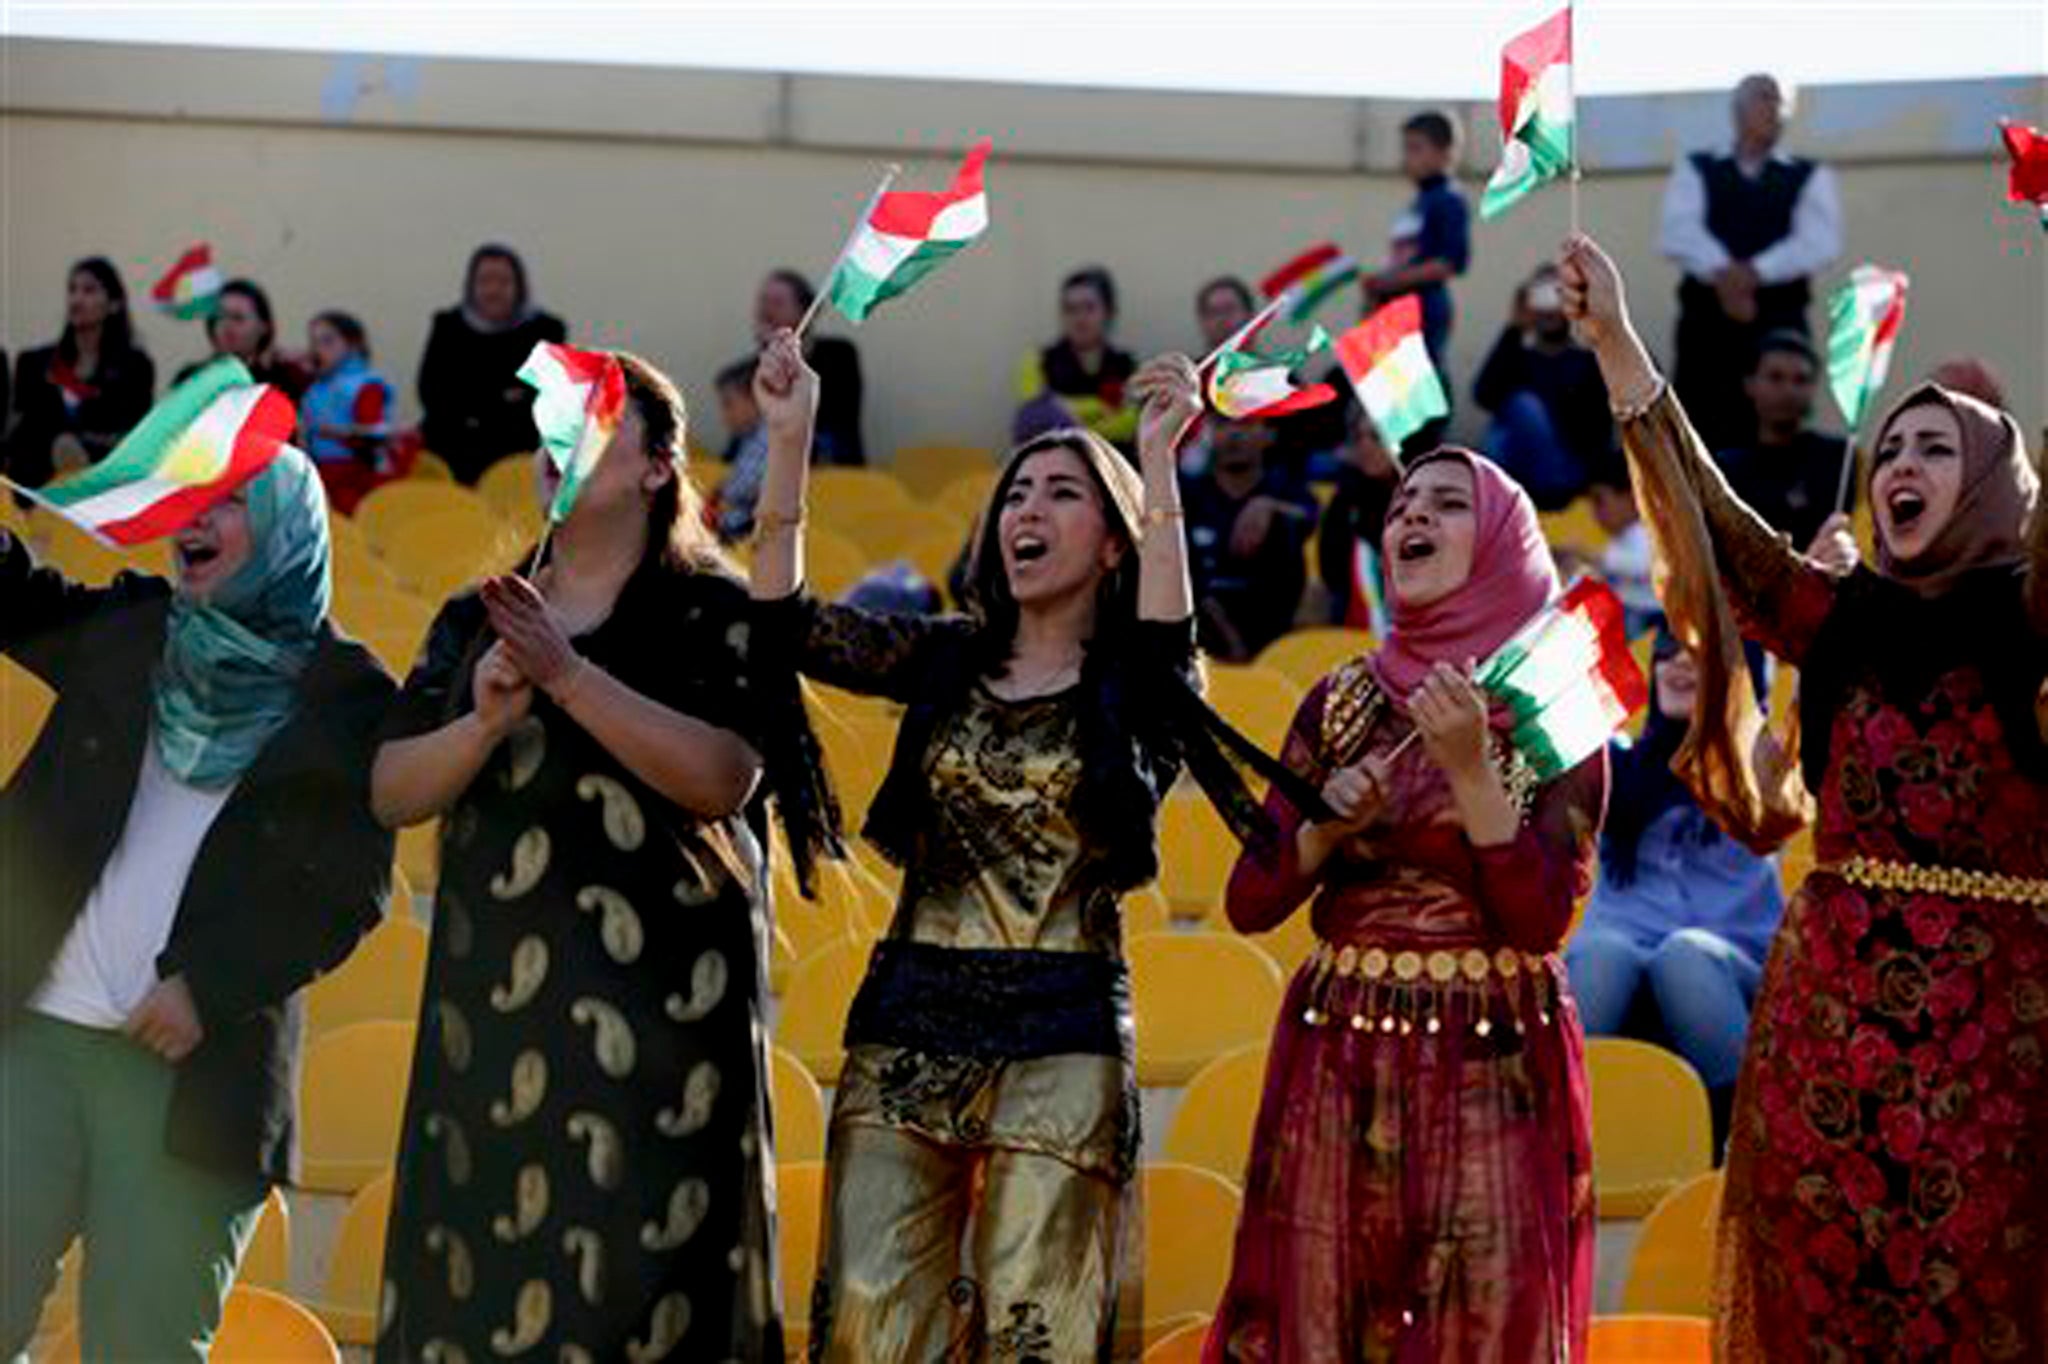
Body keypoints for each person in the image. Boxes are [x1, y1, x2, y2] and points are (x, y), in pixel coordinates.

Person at [751, 327, 1316, 1362]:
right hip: (909, 1009)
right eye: (1015, 494)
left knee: (1034, 1325)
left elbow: (1165, 647)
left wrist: (1156, 461)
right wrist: (790, 436)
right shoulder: (943, 656)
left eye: (1060, 493)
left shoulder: (1134, 688)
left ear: (1111, 541)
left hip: (1063, 1026)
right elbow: (786, 628)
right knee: (872, 1318)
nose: (1027, 510)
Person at [1563, 231, 2048, 1362]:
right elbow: (1708, 518)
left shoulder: (2032, 627)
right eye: (1890, 449)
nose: (1899, 469)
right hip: (1825, 1023)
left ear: (1991, 484)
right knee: (1818, 1295)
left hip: (1998, 1034)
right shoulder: (1836, 621)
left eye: (1937, 449)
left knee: (1976, 1298)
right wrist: (1617, 342)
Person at [371, 351, 782, 1360]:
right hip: (498, 1023)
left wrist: (565, 674)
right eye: (550, 422)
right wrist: (477, 725)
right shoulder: (480, 614)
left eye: (592, 422)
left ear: (655, 467)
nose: (559, 441)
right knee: (484, 1301)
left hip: (668, 1031)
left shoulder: (713, 607)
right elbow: (389, 788)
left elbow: (725, 775)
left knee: (654, 1313)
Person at [1205, 445, 1604, 1362]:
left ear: (1505, 540)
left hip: (1496, 1059)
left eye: (1447, 505)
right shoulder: (1341, 701)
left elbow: (1542, 919)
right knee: (1319, 1318)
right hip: (1339, 1050)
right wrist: (1325, 832)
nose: (1410, 518)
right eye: (1402, 506)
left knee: (1487, 1324)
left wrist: (1470, 771)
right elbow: (1249, 899)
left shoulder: (1554, 705)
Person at [0, 441, 394, 1360]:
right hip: (35, 1041)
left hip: (191, 1074)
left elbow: (349, 891)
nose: (194, 521)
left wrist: (206, 985)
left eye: (228, 504)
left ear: (290, 527)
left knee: (142, 1346)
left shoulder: (346, 694)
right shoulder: (138, 626)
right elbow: (11, 597)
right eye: (190, 502)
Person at [1565, 631, 1782, 1152]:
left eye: (1697, 654)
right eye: (1667, 653)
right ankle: (1560, 1138)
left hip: (1728, 966)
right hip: (1620, 959)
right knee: (1602, 951)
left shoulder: (1758, 764)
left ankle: (1745, 1143)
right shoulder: (1617, 768)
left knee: (1684, 955)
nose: (1678, 666)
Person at [1660, 74, 1843, 453]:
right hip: (1705, 328)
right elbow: (1677, 233)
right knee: (1701, 425)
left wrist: (1753, 273)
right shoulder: (1697, 168)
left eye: (1780, 103)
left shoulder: (1808, 175)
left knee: (1779, 422)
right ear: (1737, 109)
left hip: (1779, 321)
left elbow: (1819, 242)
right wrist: (1725, 275)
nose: (1773, 111)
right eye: (1764, 99)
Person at [1363, 111, 1471, 452]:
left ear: (1445, 152)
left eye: (1415, 148)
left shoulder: (1448, 199)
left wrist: (1390, 282)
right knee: (1394, 405)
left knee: (1419, 403)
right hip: (1397, 315)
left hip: (1424, 312)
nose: (1406, 158)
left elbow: (1450, 261)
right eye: (1405, 148)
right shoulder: (1418, 202)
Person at [417, 243, 568, 485]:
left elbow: (546, 398)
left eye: (504, 282)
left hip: (519, 454)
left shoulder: (546, 330)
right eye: (485, 281)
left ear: (519, 287)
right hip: (452, 449)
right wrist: (504, 397)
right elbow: (432, 393)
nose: (493, 290)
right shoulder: (448, 326)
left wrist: (472, 401)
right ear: (471, 285)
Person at [6, 257, 156, 488]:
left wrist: (79, 445)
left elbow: (132, 439)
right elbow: (20, 433)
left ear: (114, 304)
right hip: (34, 489)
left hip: (100, 489)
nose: (76, 299)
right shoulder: (34, 363)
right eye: (72, 290)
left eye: (89, 290)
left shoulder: (134, 367)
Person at [1473, 264, 1612, 509]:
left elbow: (1598, 426)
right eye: (1540, 297)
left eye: (1556, 295)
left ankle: (1522, 499)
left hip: (1571, 472)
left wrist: (1594, 318)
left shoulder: (1589, 361)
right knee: (1507, 421)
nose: (1548, 309)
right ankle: (1497, 502)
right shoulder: (1518, 357)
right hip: (1523, 473)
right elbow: (1483, 395)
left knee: (1524, 406)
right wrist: (1514, 327)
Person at [1182, 418, 1318, 662]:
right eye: (1223, 424)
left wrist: (1268, 506)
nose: (1234, 435)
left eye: (1247, 424)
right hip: (1201, 635)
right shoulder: (1187, 495)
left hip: (1276, 635)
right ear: (1209, 434)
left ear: (1269, 435)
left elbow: (1309, 517)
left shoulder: (1286, 488)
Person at [1714, 330, 1856, 555]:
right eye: (1775, 377)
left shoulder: (1841, 461)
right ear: (1750, 384)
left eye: (1800, 380)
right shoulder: (1726, 469)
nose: (1788, 391)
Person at [749, 268, 866, 466]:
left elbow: (829, 414)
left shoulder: (839, 354)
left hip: (830, 469)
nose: (765, 311)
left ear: (805, 311)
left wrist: (787, 354)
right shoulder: (755, 366)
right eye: (763, 301)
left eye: (777, 303)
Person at [1014, 266, 1139, 452]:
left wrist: (1065, 413)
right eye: (1070, 309)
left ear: (1109, 312)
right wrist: (1105, 409)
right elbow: (1036, 420)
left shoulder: (1128, 364)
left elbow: (1131, 424)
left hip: (1116, 466)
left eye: (1089, 307)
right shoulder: (1036, 360)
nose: (1079, 318)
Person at [299, 311, 398, 514]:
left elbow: (375, 437)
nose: (318, 350)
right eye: (314, 342)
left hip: (356, 478)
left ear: (353, 345)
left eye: (327, 341)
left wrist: (338, 432)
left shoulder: (365, 385)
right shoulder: (316, 386)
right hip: (321, 474)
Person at [1317, 406, 1401, 629]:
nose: (1366, 447)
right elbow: (1330, 571)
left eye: (1376, 437)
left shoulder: (1431, 500)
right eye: (1358, 437)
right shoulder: (1347, 499)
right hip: (1358, 625)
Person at [173, 280, 311, 400]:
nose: (226, 325)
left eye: (237, 318)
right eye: (219, 317)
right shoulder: (192, 378)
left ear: (264, 326)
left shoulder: (284, 379)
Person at [1588, 465, 1659, 637]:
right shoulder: (1618, 542)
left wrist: (1593, 558)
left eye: (1599, 502)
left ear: (1631, 498)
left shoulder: (1648, 532)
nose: (1594, 514)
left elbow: (1644, 564)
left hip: (1654, 617)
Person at [710, 357, 769, 543]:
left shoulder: (767, 438)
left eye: (728, 404)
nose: (723, 415)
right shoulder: (750, 438)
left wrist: (720, 492)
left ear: (758, 399)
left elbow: (745, 487)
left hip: (750, 529)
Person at [1196, 275, 1257, 354]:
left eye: (1229, 309)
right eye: (1214, 312)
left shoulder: (1272, 366)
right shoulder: (1195, 366)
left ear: (1250, 316)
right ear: (1203, 321)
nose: (1222, 319)